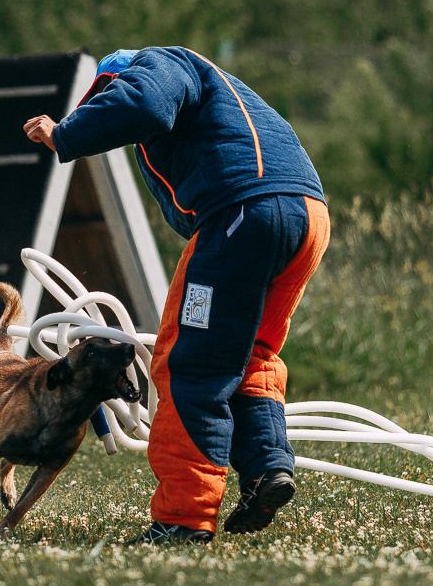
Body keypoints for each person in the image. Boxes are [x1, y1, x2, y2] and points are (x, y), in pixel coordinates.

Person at [24, 47, 329, 545]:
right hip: (307, 219)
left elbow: (143, 105)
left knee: (189, 366)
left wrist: (66, 133)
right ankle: (266, 469)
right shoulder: (224, 90)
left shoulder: (158, 64)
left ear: (115, 78)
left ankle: (184, 519)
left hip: (242, 216)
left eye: (106, 95)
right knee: (250, 356)